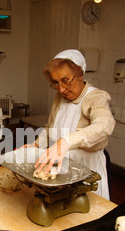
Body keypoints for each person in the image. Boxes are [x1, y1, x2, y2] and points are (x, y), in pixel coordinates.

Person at [29, 49, 115, 200]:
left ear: (80, 74)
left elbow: (104, 125)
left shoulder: (96, 97)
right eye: (55, 83)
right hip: (62, 165)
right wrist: (36, 145)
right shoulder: (59, 98)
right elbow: (50, 128)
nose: (61, 89)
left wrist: (66, 142)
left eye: (65, 80)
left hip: (87, 167)